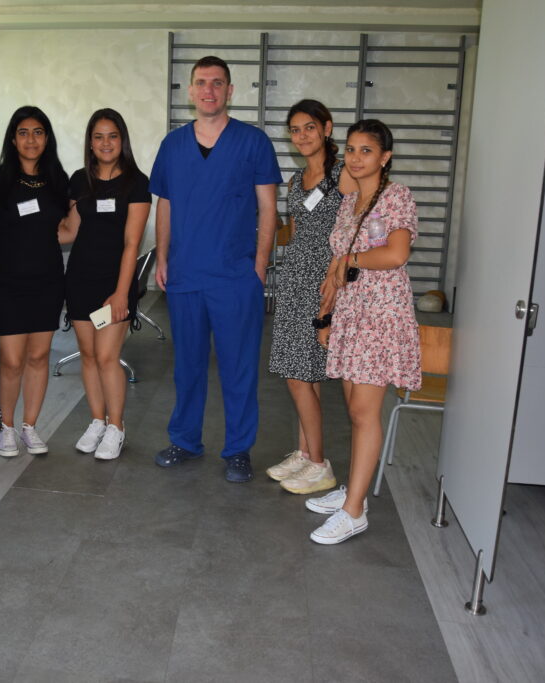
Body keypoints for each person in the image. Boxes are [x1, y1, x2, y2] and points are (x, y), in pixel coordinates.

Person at [149, 56, 282, 482]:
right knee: (187, 366)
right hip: (186, 275)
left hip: (235, 277)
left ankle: (238, 449)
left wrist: (259, 267)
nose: (209, 90)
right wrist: (163, 257)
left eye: (217, 83)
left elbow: (268, 208)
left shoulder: (253, 142)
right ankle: (185, 440)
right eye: (202, 82)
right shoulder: (173, 145)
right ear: (190, 90)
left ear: (230, 91)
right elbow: (165, 204)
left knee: (239, 367)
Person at [306, 119, 421, 544]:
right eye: (351, 150)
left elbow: (395, 254)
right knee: (355, 410)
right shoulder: (350, 202)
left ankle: (354, 511)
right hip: (351, 312)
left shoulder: (396, 196)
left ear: (385, 157)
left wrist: (350, 260)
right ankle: (353, 492)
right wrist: (326, 317)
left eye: (366, 151)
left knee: (363, 412)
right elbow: (335, 268)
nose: (355, 158)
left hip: (381, 314)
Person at [267, 99, 356, 494]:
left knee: (298, 375)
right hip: (294, 280)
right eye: (295, 130)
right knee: (305, 373)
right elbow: (296, 231)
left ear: (327, 128)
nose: (301, 136)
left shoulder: (343, 174)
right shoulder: (295, 180)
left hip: (323, 284)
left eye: (309, 127)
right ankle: (305, 454)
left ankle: (320, 465)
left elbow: (354, 227)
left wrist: (337, 275)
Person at [59, 109, 152, 461]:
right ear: (90, 142)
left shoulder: (137, 183)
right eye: (98, 136)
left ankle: (116, 427)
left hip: (114, 284)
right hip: (80, 279)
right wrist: (25, 232)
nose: (105, 143)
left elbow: (132, 243)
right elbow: (70, 231)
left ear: (122, 139)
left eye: (112, 135)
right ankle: (97, 421)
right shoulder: (79, 180)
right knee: (88, 356)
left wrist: (121, 293)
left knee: (107, 357)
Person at [0, 106, 68, 458]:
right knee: (11, 360)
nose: (31, 139)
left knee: (39, 356)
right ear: (12, 138)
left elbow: (65, 230)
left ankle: (30, 427)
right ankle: (6, 428)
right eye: (23, 132)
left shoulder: (58, 179)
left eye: (37, 132)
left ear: (46, 138)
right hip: (8, 281)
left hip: (47, 280)